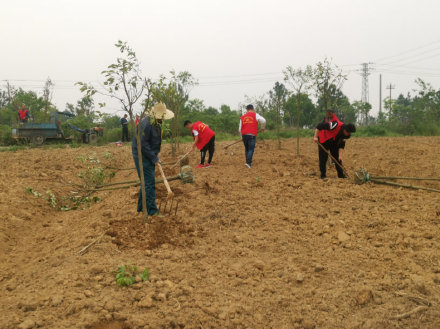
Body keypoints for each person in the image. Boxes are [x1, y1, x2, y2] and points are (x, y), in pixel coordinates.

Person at [132, 102, 174, 216]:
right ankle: (152, 210)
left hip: (148, 154)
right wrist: (153, 157)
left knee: (145, 182)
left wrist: (154, 156)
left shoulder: (155, 122)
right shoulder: (147, 124)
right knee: (149, 183)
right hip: (142, 155)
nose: (162, 119)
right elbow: (143, 144)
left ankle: (141, 207)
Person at [313, 115, 356, 179]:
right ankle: (323, 175)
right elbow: (319, 126)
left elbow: (341, 145)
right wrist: (315, 137)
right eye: (348, 133)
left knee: (338, 159)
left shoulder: (346, 135)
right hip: (323, 140)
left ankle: (341, 175)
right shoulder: (335, 125)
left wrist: (340, 156)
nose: (349, 134)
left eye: (350, 133)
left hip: (333, 143)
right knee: (323, 158)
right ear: (345, 130)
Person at [239, 104, 266, 168]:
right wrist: (262, 127)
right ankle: (248, 163)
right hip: (252, 135)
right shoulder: (255, 115)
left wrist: (241, 137)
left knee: (247, 149)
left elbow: (240, 129)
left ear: (247, 110)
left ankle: (248, 162)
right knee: (251, 149)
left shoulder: (242, 117)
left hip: (244, 135)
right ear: (253, 109)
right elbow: (264, 121)